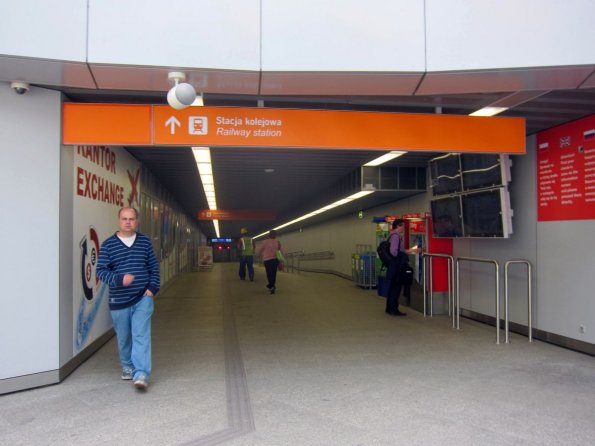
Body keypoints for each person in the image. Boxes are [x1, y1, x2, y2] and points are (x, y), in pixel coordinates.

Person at [96, 207, 160, 390]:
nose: (128, 222)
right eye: (124, 218)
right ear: (119, 220)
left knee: (141, 335)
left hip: (143, 298)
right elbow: (101, 271)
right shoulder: (109, 245)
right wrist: (118, 279)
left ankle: (141, 374)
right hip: (119, 300)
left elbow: (153, 267)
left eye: (132, 219)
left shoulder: (145, 243)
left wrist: (152, 288)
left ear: (137, 221)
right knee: (124, 337)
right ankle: (127, 365)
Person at [385, 219, 417, 316]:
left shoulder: (393, 235)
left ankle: (389, 308)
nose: (404, 228)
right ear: (398, 226)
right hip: (397, 266)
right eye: (403, 226)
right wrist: (403, 253)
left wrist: (412, 250)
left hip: (394, 266)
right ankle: (393, 309)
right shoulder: (395, 237)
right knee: (396, 287)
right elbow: (394, 251)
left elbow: (401, 250)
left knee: (393, 287)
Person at [258, 229, 282, 294]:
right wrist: (280, 260)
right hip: (275, 260)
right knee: (274, 273)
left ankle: (271, 286)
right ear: (275, 235)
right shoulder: (278, 242)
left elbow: (260, 250)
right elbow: (279, 251)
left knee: (269, 273)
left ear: (269, 235)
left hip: (267, 260)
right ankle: (272, 285)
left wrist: (259, 255)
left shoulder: (264, 242)